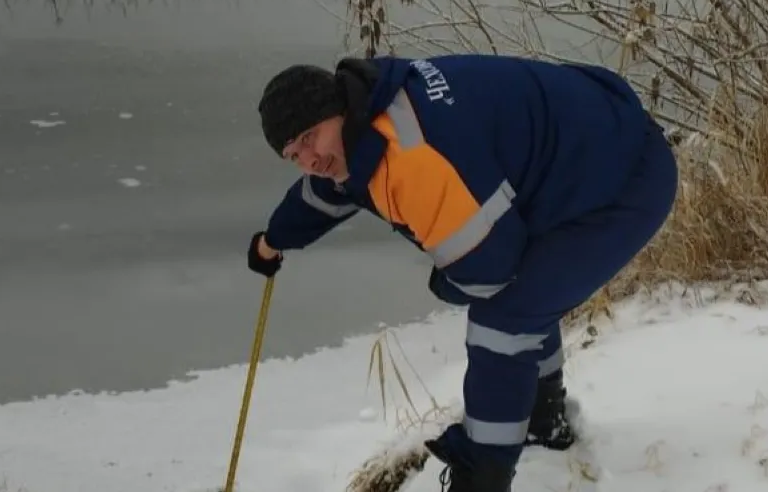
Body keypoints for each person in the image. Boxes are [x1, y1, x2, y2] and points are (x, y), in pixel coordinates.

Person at [245, 53, 678, 492]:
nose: (309, 159)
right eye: (292, 154)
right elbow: (328, 190)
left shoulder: (413, 157)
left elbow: (486, 272)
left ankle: (483, 478)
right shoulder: (371, 112)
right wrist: (273, 240)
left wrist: (444, 285)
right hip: (590, 150)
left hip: (623, 180)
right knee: (525, 294)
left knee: (503, 319)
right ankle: (541, 421)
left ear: (334, 109)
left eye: (309, 137)